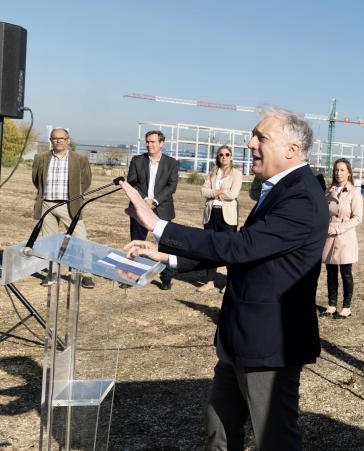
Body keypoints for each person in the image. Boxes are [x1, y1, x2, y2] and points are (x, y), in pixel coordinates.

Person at [122, 106, 328, 450]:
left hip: (270, 345)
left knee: (274, 439)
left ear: (291, 149)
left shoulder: (302, 196)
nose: (249, 143)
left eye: (261, 137)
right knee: (218, 430)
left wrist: (158, 225)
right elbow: (246, 250)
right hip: (242, 337)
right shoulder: (279, 188)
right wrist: (165, 254)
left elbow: (241, 246)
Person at [31, 127, 95, 288]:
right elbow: (36, 180)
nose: (58, 141)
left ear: (68, 140)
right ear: (51, 140)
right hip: (47, 205)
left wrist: (74, 194)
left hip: (70, 204)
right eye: (55, 138)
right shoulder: (41, 158)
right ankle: (52, 273)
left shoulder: (79, 159)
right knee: (49, 242)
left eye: (61, 138)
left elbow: (86, 181)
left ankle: (86, 274)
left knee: (81, 239)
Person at [126, 130, 179, 290]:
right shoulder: (137, 160)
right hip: (139, 208)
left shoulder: (171, 163)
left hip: (162, 208)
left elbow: (172, 186)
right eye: (147, 142)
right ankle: (133, 276)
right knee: (137, 243)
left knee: (165, 245)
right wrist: (143, 202)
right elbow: (132, 182)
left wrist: (154, 201)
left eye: (153, 142)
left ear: (161, 143)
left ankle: (166, 278)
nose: (149, 145)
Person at [196, 145, 243, 293]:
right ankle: (209, 281)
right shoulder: (213, 172)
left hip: (227, 216)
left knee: (228, 249)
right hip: (211, 214)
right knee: (210, 249)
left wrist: (215, 193)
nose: (224, 157)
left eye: (227, 154)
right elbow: (203, 191)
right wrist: (218, 191)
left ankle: (229, 283)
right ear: (218, 157)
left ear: (231, 157)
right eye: (221, 154)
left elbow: (233, 194)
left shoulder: (237, 174)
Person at [321, 158, 363, 319]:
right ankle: (331, 305)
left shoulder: (354, 193)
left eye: (342, 170)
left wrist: (338, 228)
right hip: (329, 237)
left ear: (349, 173)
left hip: (345, 237)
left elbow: (358, 218)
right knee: (330, 272)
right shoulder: (328, 191)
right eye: (336, 170)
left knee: (346, 272)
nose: (338, 173)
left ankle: (346, 307)